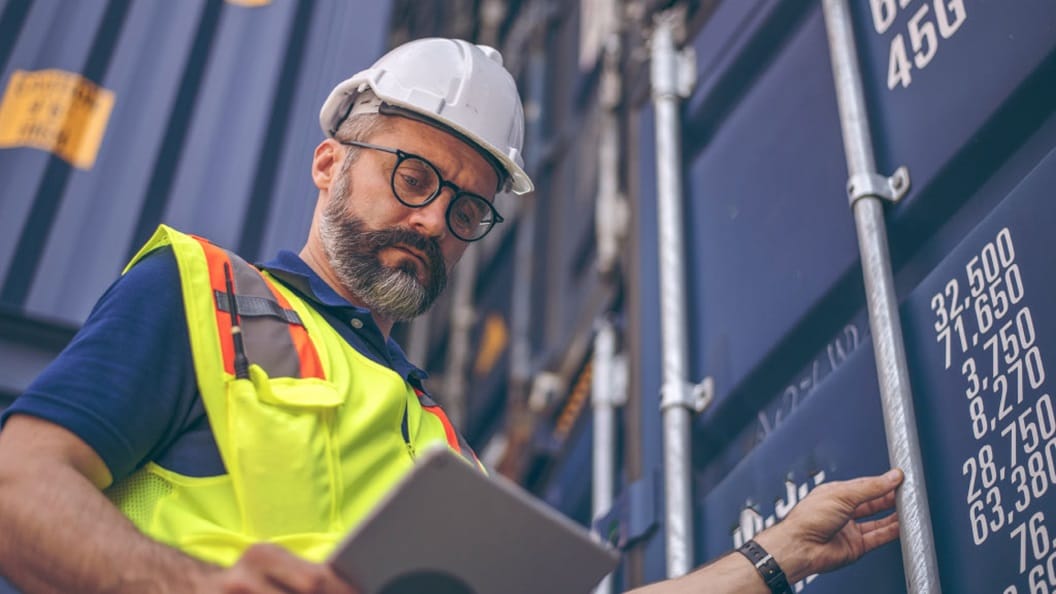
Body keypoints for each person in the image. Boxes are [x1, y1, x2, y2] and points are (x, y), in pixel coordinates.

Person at [0, 38, 902, 594]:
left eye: (467, 207)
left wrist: (773, 558)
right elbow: (17, 489)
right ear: (329, 164)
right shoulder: (201, 293)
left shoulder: (445, 453)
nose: (435, 220)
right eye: (413, 176)